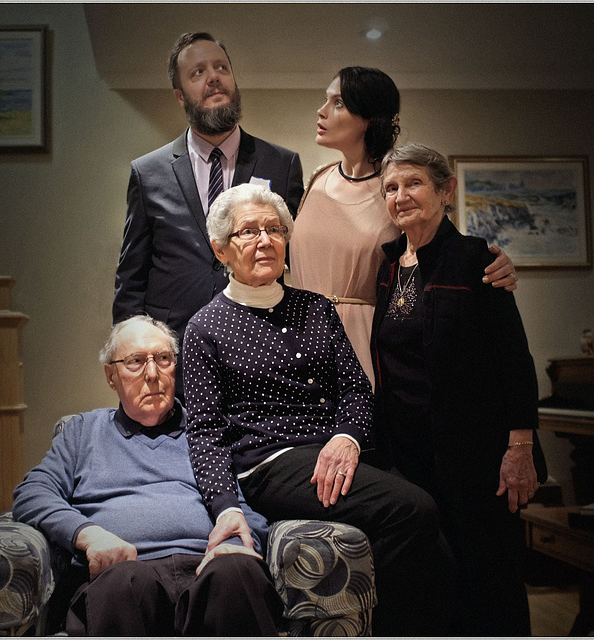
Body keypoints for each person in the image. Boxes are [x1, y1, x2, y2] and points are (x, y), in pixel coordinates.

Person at [183, 183, 456, 636]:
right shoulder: (204, 328)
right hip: (269, 465)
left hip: (336, 452)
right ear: (220, 249)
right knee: (415, 509)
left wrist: (346, 436)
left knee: (441, 546)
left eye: (274, 229)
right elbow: (206, 433)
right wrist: (224, 506)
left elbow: (354, 389)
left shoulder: (315, 308)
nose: (265, 240)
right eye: (248, 232)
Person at [370, 143, 548, 636]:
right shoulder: (387, 267)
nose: (400, 195)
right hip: (408, 458)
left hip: (476, 458)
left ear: (445, 191)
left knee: (490, 581)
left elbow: (515, 360)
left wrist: (520, 448)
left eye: (413, 184)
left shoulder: (477, 260)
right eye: (390, 187)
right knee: (433, 584)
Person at [12, 315, 283, 636]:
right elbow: (32, 493)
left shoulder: (208, 432)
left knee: (237, 572)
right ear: (110, 376)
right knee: (127, 583)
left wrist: (238, 541)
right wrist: (89, 535)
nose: (153, 374)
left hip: (208, 567)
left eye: (163, 359)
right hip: (124, 572)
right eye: (136, 362)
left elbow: (248, 504)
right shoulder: (84, 432)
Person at [289, 66, 518, 387]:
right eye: (325, 100)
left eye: (338, 103)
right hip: (299, 339)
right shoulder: (316, 178)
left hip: (369, 348)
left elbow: (445, 256)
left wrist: (495, 266)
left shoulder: (397, 190)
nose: (321, 110)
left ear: (369, 118)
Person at [112, 32, 304, 397]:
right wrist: (129, 357)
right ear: (180, 96)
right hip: (174, 356)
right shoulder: (147, 172)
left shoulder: (282, 164)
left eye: (221, 68)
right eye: (197, 72)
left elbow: (295, 259)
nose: (214, 77)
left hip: (259, 345)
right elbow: (131, 276)